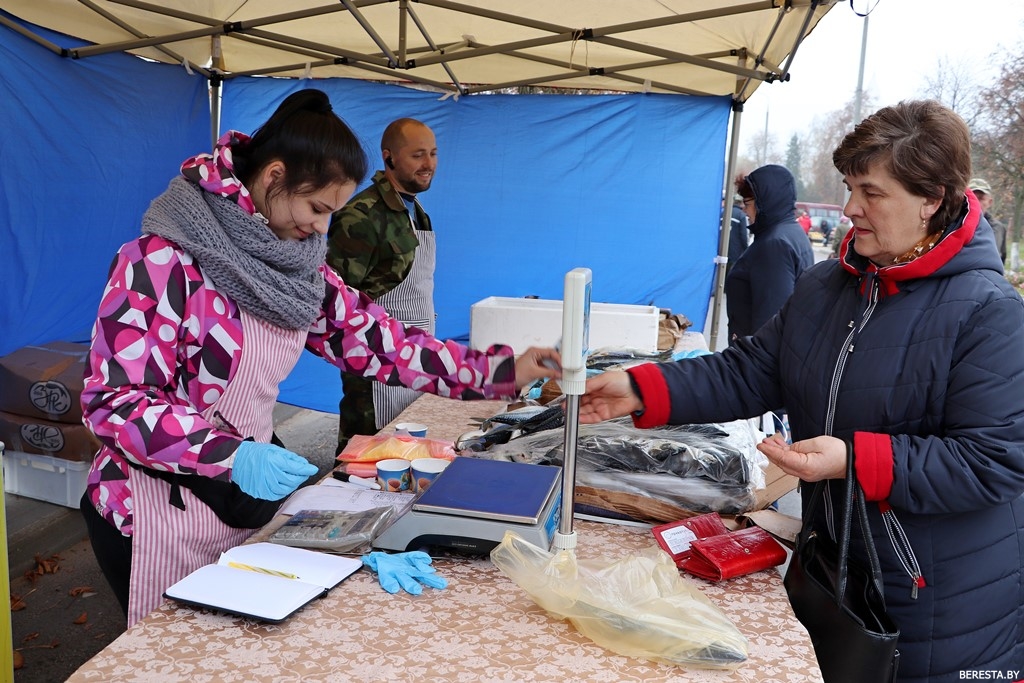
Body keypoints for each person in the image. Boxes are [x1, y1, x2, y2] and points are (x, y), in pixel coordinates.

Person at [577, 100, 1024, 681]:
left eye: (871, 192)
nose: (851, 208)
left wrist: (854, 459)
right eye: (850, 188)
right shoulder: (827, 286)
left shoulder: (989, 312)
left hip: (940, 607)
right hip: (839, 570)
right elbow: (750, 371)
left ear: (931, 200)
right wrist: (642, 387)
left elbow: (995, 461)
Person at [78, 89, 560, 627]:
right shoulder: (159, 261)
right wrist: (231, 456)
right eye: (316, 209)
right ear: (274, 177)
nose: (321, 228)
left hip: (239, 502)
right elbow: (114, 402)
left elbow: (383, 344)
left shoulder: (296, 269)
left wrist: (499, 371)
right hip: (152, 508)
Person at [326, 118, 438, 454]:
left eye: (433, 153)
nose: (429, 164)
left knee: (403, 450)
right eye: (418, 155)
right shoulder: (361, 215)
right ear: (389, 157)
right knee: (364, 453)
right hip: (375, 362)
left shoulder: (415, 210)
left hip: (412, 350)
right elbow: (336, 299)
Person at [725, 165, 814, 341]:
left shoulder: (774, 245)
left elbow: (769, 323)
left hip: (754, 353)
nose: (744, 210)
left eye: (747, 203)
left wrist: (749, 355)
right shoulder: (792, 232)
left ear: (764, 202)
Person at [969, 177, 1007, 263]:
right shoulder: (955, 225)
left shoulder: (997, 228)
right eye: (972, 198)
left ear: (990, 202)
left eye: (981, 198)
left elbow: (1000, 257)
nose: (976, 203)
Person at [726, 193, 749, 277]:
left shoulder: (724, 213)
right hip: (736, 253)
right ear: (741, 203)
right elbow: (744, 236)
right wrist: (746, 250)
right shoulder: (741, 215)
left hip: (722, 252)